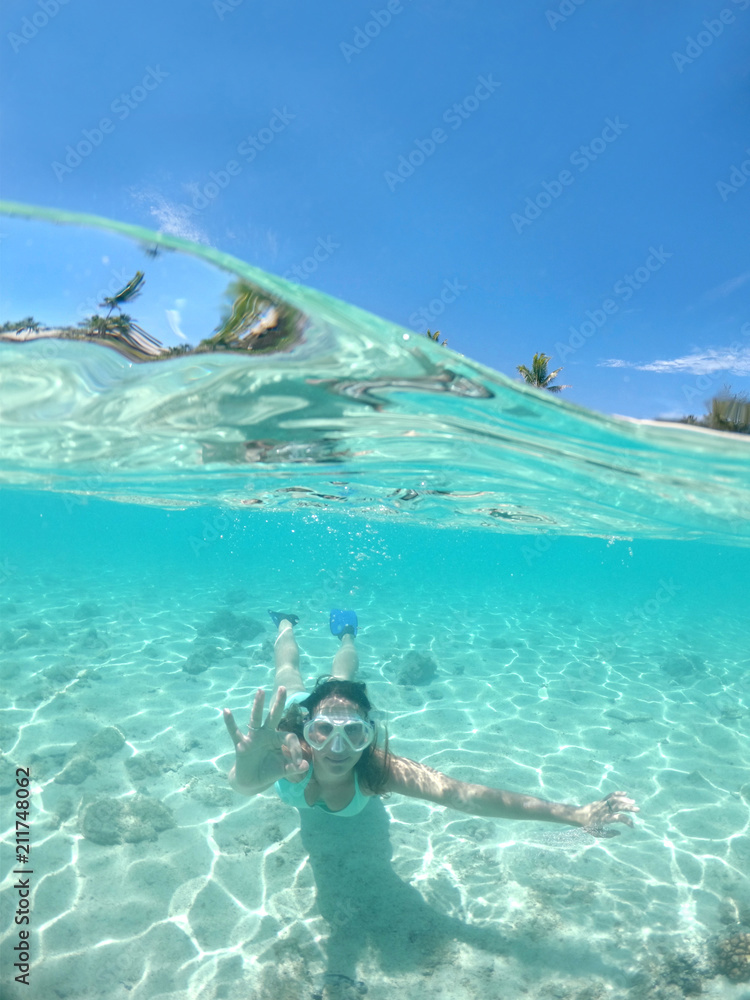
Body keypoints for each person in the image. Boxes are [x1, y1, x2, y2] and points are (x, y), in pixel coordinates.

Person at [222, 611, 639, 834]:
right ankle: (286, 621)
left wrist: (575, 815)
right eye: (323, 731)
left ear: (369, 736)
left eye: (354, 733)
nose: (336, 747)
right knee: (288, 675)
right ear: (306, 730)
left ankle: (346, 633)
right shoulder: (283, 750)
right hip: (297, 704)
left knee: (343, 678)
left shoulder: (376, 770)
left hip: (335, 702)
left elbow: (463, 794)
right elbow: (242, 785)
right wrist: (249, 769)